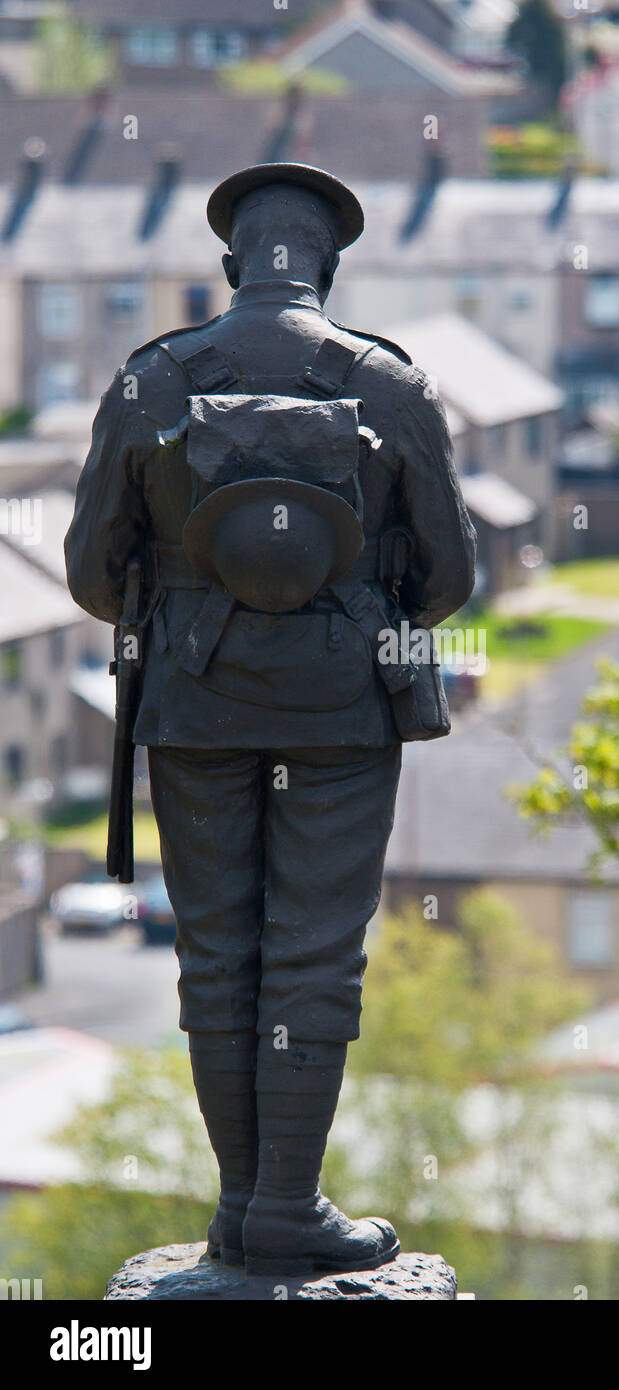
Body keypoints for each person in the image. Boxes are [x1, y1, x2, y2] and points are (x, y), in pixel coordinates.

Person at [65, 163, 476, 1276]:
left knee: (216, 959)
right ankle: (284, 1208)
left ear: (231, 266)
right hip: (341, 710)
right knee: (310, 955)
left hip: (194, 704)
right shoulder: (389, 387)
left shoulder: (154, 381)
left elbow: (94, 581)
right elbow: (447, 581)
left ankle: (246, 1206)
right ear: (328, 269)